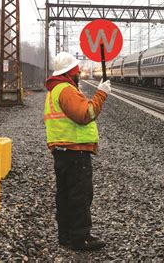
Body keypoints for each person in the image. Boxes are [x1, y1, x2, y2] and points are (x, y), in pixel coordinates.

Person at [44, 52, 111, 251]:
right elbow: (85, 114)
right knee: (79, 195)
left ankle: (66, 235)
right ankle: (80, 238)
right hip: (75, 152)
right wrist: (102, 93)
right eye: (77, 71)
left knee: (65, 195)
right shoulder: (66, 90)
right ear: (70, 72)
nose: (79, 74)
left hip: (63, 151)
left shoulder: (55, 90)